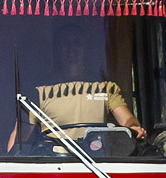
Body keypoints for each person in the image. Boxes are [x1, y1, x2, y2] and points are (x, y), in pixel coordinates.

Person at [8, 23, 145, 152]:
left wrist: (134, 128)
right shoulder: (38, 91)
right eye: (65, 43)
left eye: (76, 43)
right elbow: (21, 134)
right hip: (54, 163)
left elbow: (127, 119)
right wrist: (9, 164)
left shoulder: (105, 87)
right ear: (56, 49)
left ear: (85, 48)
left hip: (95, 162)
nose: (71, 48)